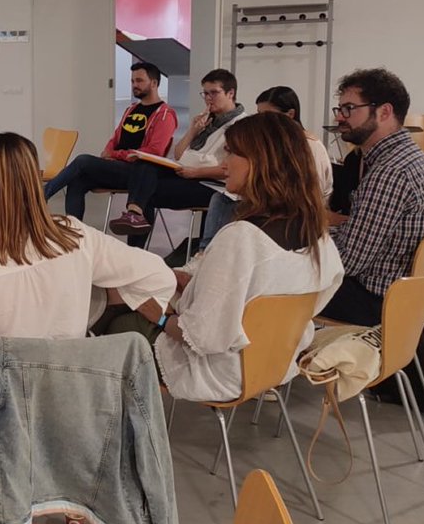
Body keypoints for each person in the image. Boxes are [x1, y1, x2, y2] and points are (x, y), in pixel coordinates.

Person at [102, 113, 344, 402]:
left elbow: (203, 337)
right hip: (273, 362)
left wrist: (162, 317)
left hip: (219, 372)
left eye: (230, 153)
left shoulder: (242, 238)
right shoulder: (318, 235)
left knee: (114, 320)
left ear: (259, 162)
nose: (223, 163)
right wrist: (198, 283)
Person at [0, 132, 176, 406]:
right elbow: (158, 275)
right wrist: (99, 304)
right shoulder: (76, 235)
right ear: (34, 179)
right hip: (65, 398)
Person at [318, 68, 424, 325]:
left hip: (377, 302)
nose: (341, 117)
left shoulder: (390, 172)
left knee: (269, 282)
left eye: (349, 108)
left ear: (384, 112)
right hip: (406, 300)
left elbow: (348, 262)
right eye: (340, 109)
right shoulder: (416, 159)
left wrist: (304, 242)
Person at [108, 69, 247, 242]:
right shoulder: (206, 120)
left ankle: (136, 244)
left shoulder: (242, 125)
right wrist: (193, 131)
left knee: (146, 192)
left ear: (230, 93)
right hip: (187, 173)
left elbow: (231, 170)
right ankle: (134, 214)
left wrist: (195, 172)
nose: (208, 98)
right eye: (205, 93)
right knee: (144, 163)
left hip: (212, 184)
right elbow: (179, 154)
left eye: (214, 93)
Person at [194, 86, 334, 255]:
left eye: (267, 115)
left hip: (295, 216)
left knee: (227, 205)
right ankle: (205, 254)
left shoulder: (309, 146)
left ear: (290, 114)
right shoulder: (275, 145)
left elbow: (311, 195)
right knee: (222, 199)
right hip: (274, 209)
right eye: (259, 114)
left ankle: (207, 255)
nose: (261, 121)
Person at [43, 62, 178, 219]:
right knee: (77, 180)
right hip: (117, 168)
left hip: (137, 173)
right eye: (132, 81)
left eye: (140, 81)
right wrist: (108, 151)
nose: (135, 85)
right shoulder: (131, 109)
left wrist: (114, 154)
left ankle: (40, 195)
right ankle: (76, 232)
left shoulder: (165, 115)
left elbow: (155, 152)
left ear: (154, 83)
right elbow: (116, 137)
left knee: (82, 161)